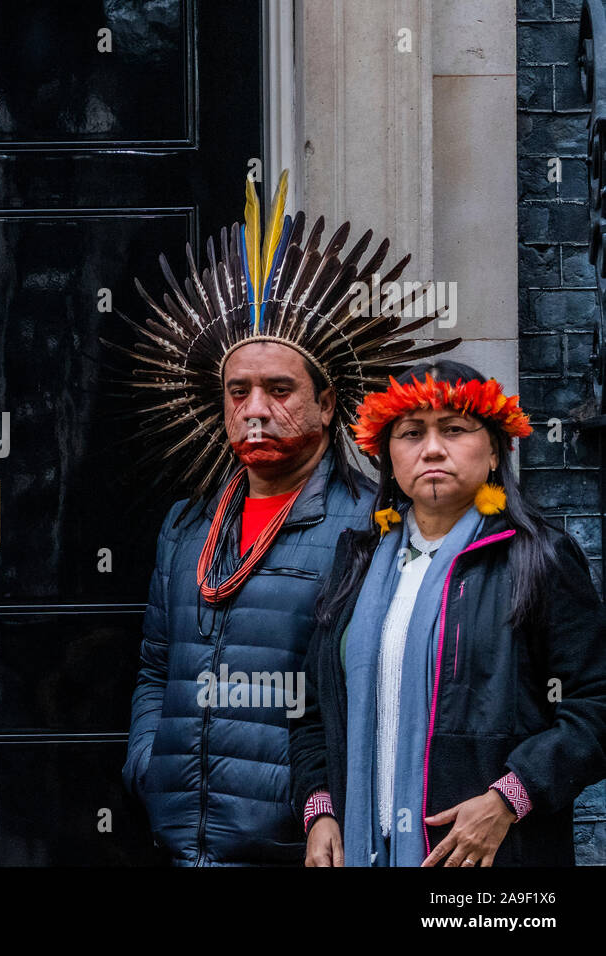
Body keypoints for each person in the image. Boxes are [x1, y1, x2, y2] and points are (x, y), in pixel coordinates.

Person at [117, 170, 457, 864]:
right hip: (182, 832)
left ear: (328, 405)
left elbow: (384, 685)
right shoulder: (188, 526)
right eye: (238, 391)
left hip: (304, 841)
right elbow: (156, 666)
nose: (256, 409)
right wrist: (147, 765)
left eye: (279, 390)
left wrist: (326, 808)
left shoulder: (372, 527)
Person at [289, 360, 606, 867]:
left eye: (454, 429)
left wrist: (508, 800)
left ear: (497, 451)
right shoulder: (358, 561)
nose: (432, 448)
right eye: (411, 433)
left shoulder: (538, 559)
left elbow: (595, 705)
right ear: (388, 457)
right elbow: (310, 708)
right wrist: (321, 808)